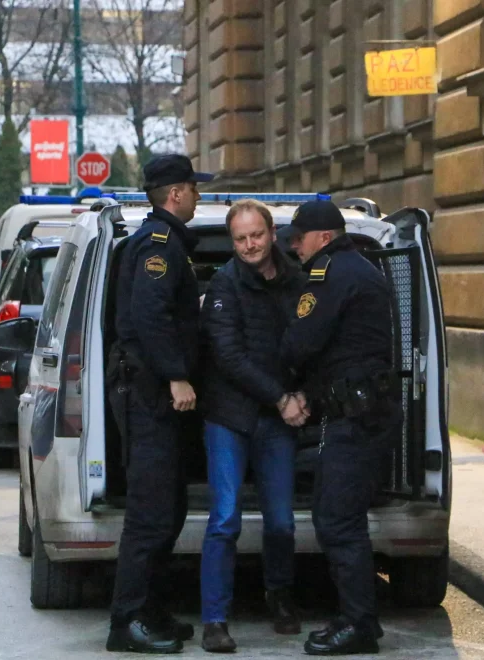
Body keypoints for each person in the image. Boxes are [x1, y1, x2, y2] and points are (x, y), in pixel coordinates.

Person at [279, 200, 400, 655]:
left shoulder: (329, 273)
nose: (295, 246)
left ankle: (358, 625)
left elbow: (302, 342)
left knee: (338, 521)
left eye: (300, 238)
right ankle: (356, 618)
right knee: (336, 517)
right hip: (360, 412)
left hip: (357, 417)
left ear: (324, 237)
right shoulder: (357, 267)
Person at [105, 154, 214, 654]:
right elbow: (150, 318)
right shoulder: (158, 244)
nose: (198, 196)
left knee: (169, 510)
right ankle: (126, 622)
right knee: (150, 515)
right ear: (176, 193)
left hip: (154, 397)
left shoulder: (168, 242)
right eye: (194, 188)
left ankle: (150, 610)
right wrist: (176, 376)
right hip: (149, 394)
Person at [197, 199, 308, 652]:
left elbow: (312, 343)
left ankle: (279, 596)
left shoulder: (298, 281)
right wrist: (282, 398)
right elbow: (228, 356)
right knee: (225, 518)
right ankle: (214, 619)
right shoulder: (224, 285)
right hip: (230, 416)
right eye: (240, 238)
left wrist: (305, 395)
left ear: (273, 234)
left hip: (278, 420)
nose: (249, 245)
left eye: (256, 235)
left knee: (281, 522)